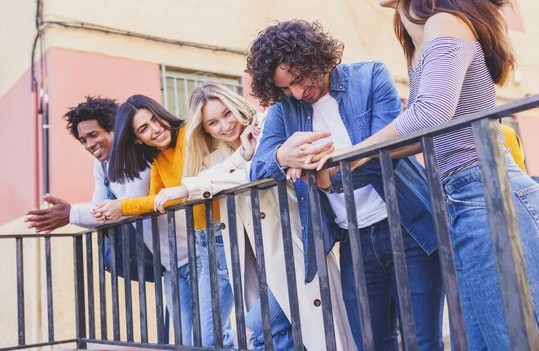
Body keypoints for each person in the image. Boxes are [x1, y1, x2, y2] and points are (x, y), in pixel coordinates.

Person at [322, 0, 539, 348]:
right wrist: (343, 166)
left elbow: (431, 113)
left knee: (508, 340)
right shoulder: (423, 41)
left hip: (487, 193)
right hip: (462, 200)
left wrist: (353, 154)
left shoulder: (445, 22)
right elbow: (421, 133)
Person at [248, 20, 444, 350]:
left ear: (314, 57)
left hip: (409, 224)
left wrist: (322, 176)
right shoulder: (286, 111)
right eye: (284, 89)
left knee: (421, 341)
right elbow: (257, 170)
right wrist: (285, 155)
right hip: (354, 238)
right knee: (371, 342)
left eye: (298, 80)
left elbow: (388, 153)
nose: (297, 93)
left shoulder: (370, 77)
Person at [155, 82, 356, 350]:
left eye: (227, 113)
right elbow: (215, 176)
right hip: (263, 259)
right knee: (282, 334)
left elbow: (247, 175)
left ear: (236, 103)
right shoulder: (216, 158)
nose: (225, 126)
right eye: (213, 123)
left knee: (263, 328)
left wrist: (189, 186)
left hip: (294, 244)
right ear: (205, 129)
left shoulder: (266, 125)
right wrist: (243, 154)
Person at [91, 94, 223, 346]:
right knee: (190, 340)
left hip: (218, 239)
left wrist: (122, 206)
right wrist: (120, 206)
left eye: (155, 119)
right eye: (144, 128)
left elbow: (177, 195)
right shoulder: (159, 159)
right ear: (136, 140)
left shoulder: (189, 134)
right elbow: (156, 200)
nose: (156, 129)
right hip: (195, 247)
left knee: (210, 337)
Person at [24, 96, 161, 282]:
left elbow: (130, 206)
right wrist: (70, 214)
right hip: (164, 258)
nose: (89, 145)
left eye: (94, 135)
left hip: (182, 253)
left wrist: (71, 214)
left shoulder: (138, 155)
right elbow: (98, 211)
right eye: (83, 140)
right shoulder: (102, 165)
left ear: (114, 129)